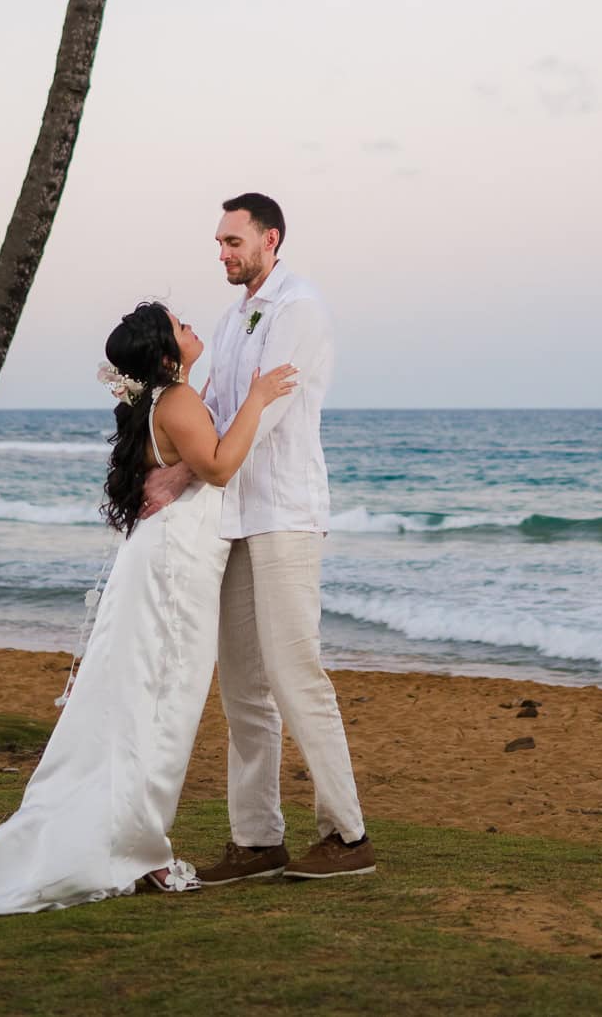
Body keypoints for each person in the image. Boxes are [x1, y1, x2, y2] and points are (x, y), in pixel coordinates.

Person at [0, 301, 295, 923]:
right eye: (181, 325)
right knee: (163, 708)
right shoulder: (175, 402)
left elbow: (197, 450)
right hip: (173, 573)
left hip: (169, 564)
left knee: (149, 705)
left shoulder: (171, 400)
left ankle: (140, 842)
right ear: (167, 353)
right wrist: (257, 397)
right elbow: (222, 466)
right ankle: (142, 849)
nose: (193, 326)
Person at [195, 191, 376, 884]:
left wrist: (199, 464)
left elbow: (266, 416)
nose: (223, 253)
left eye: (233, 241)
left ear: (270, 238)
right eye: (218, 242)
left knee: (297, 675)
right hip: (233, 513)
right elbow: (218, 405)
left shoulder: (298, 307)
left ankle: (348, 834)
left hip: (285, 514)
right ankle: (256, 840)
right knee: (241, 684)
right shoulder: (231, 316)